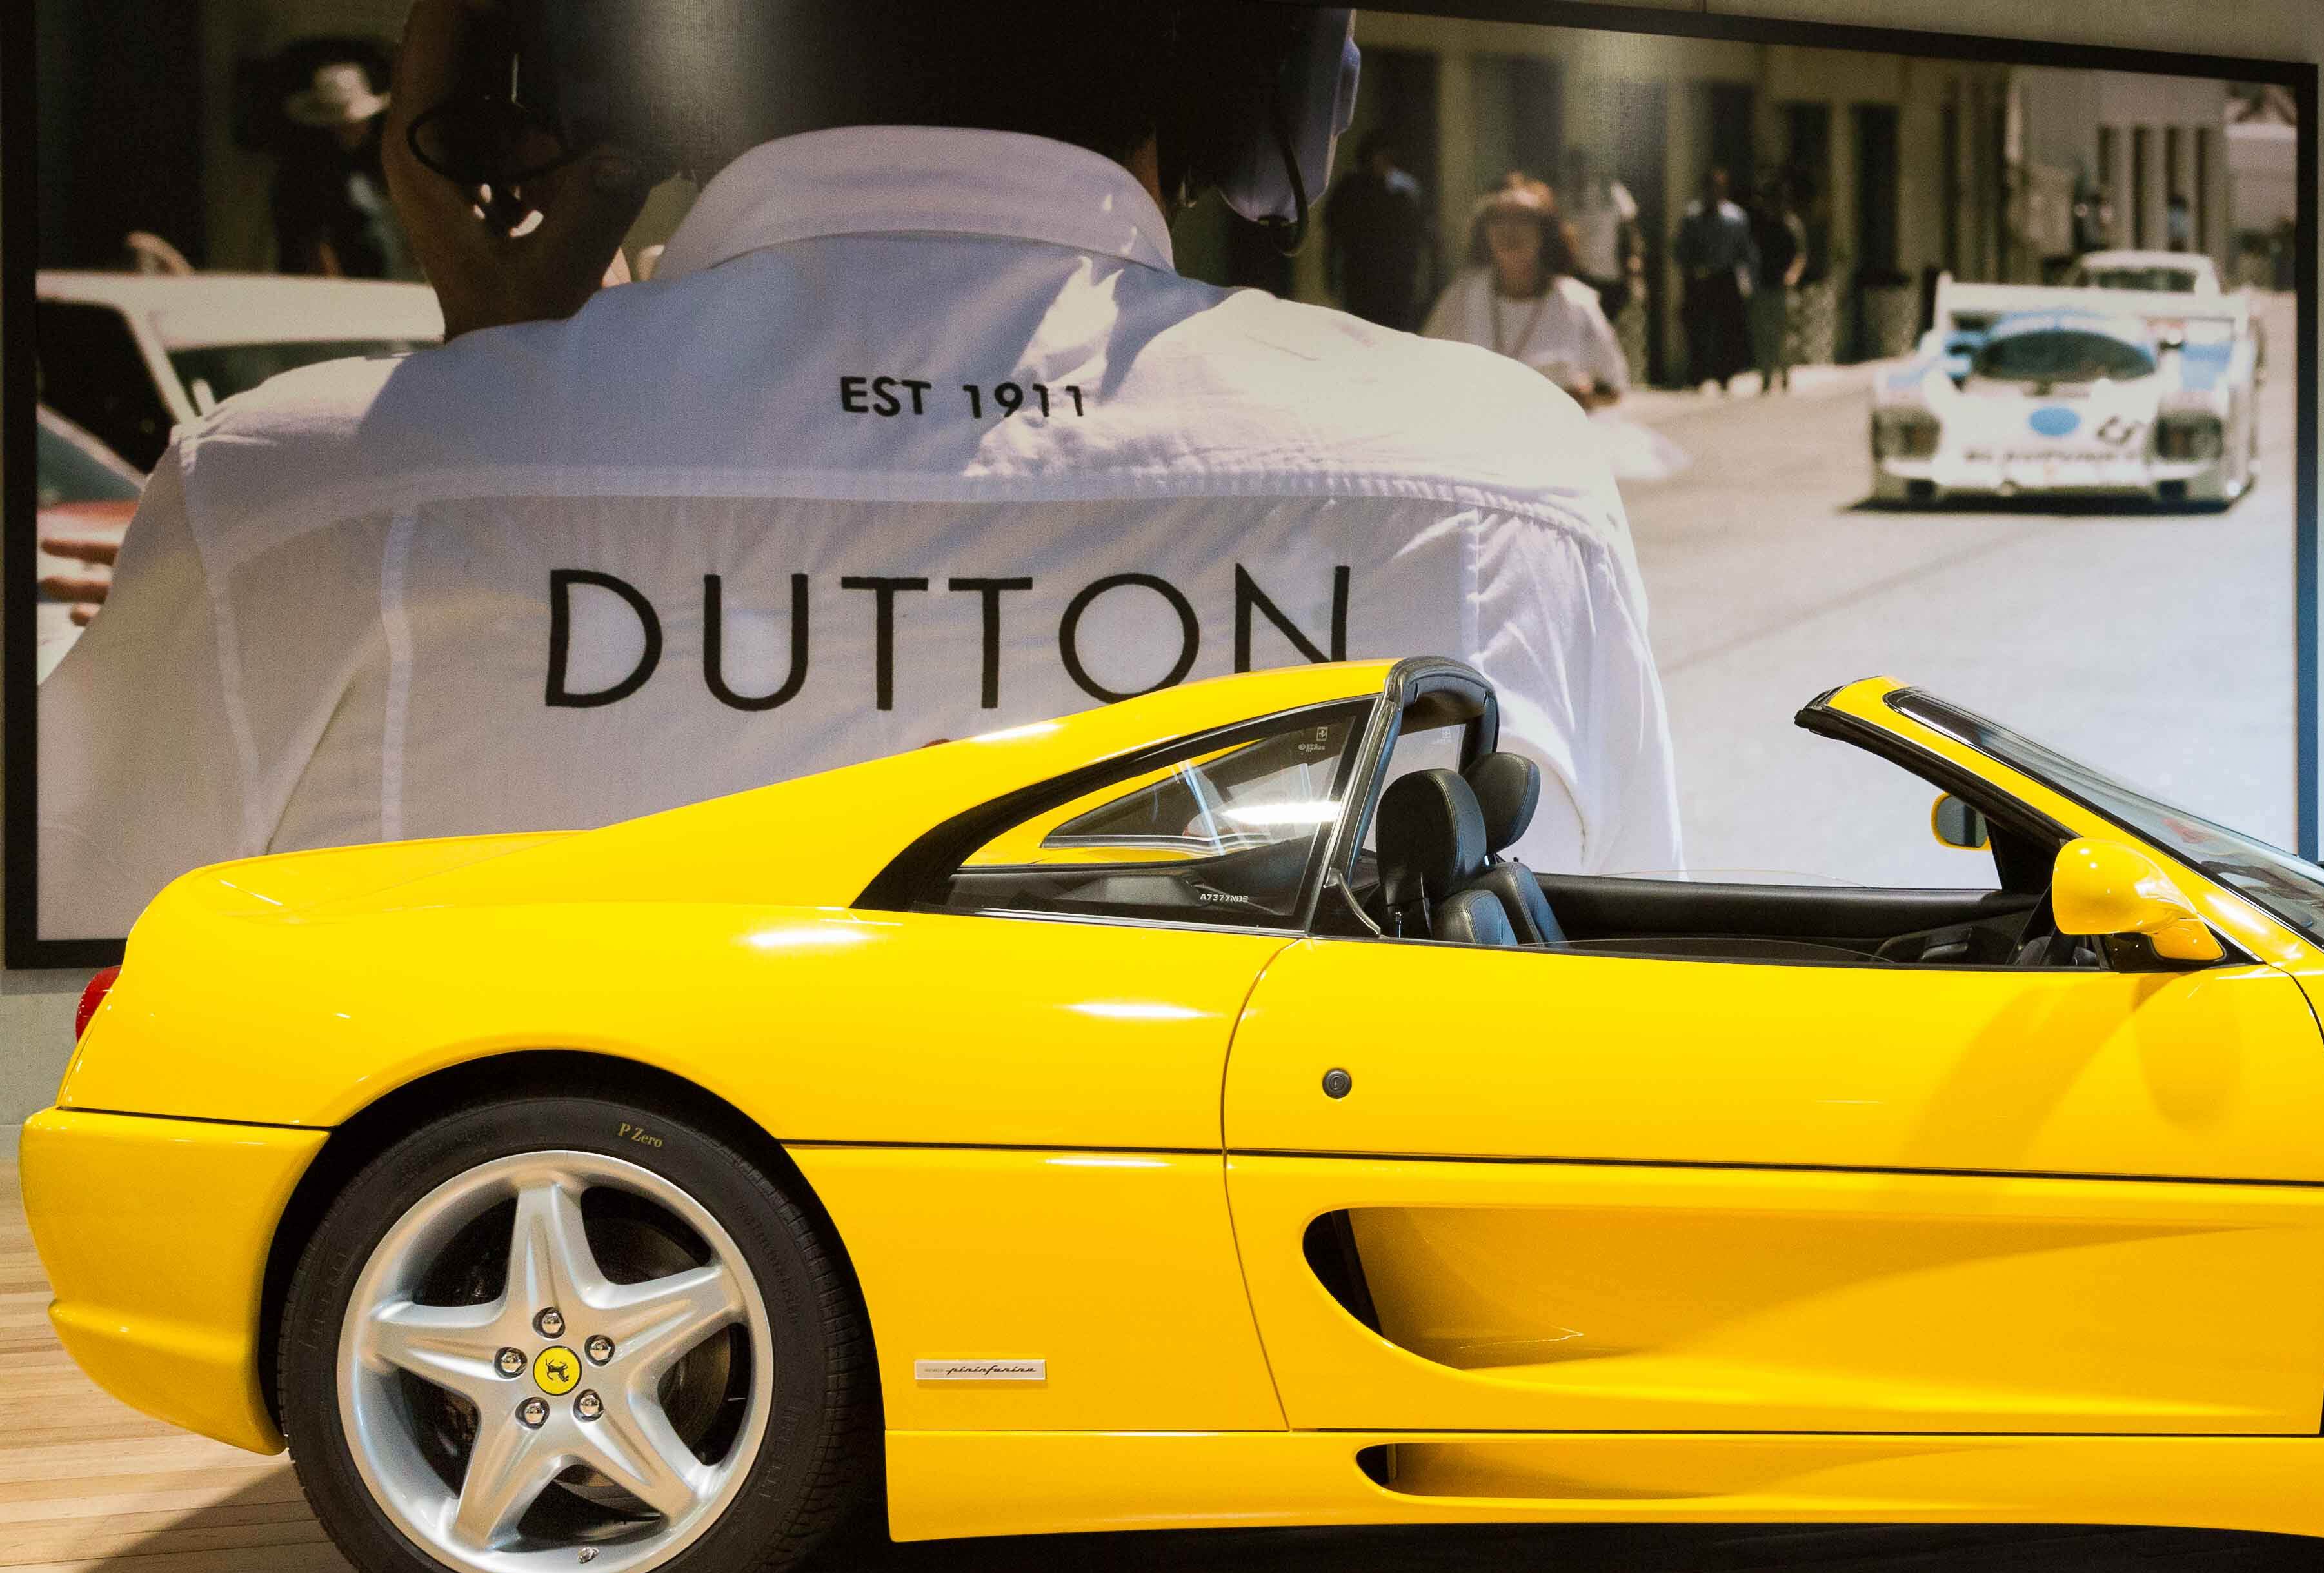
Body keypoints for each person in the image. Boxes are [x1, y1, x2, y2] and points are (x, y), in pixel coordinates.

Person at [35, 0, 1682, 946]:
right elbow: (1600, 1033)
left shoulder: (293, 506)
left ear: (552, 63)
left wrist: (484, 380)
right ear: (1268, 66)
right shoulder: (1493, 482)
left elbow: (108, 1009)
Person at [1424, 175, 1625, 410]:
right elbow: (1426, 373)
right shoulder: (1462, 296)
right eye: (1498, 219)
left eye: (1523, 219)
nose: (1509, 229)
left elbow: (1613, 388)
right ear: (1485, 232)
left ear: (1545, 232)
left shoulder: (1576, 302)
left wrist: (1584, 396)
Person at [272, 57, 413, 279]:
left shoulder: (372, 163)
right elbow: (313, 242)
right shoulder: (307, 174)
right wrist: (337, 293)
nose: (354, 127)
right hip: (341, 295)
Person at [1321, 128, 1433, 331]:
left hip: (1398, 282)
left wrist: (1420, 279)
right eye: (1381, 155)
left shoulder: (1405, 189)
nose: (1385, 162)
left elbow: (1419, 238)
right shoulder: (1349, 189)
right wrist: (1330, 276)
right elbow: (1333, 236)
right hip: (1360, 280)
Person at [1671, 167, 1754, 394]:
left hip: (1725, 278)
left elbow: (1745, 252)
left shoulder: (1735, 218)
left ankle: (1724, 374)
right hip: (1699, 280)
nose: (1714, 193)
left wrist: (1746, 281)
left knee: (1726, 328)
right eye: (1710, 188)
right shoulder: (1692, 216)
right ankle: (1698, 375)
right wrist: (1691, 268)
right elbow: (1680, 249)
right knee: (1698, 327)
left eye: (1718, 188)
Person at [1559, 148, 1638, 326]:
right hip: (1582, 277)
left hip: (1612, 276)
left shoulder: (1611, 191)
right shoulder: (1565, 198)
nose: (1579, 172)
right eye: (1573, 168)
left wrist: (1634, 260)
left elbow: (1630, 226)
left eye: (1582, 167)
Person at [1745, 170, 1805, 394]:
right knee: (1763, 334)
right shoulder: (1761, 226)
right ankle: (1766, 377)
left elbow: (1800, 255)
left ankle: (1785, 374)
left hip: (1783, 287)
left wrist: (1793, 274)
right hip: (1763, 284)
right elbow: (1752, 254)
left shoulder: (1792, 225)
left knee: (1783, 334)